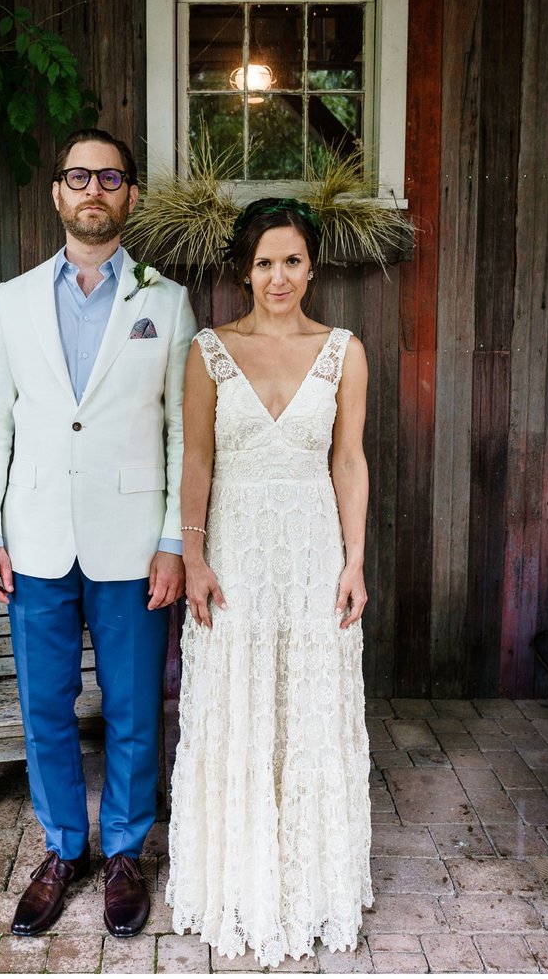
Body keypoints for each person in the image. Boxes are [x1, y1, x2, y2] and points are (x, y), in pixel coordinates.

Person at [0, 127, 191, 938]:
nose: (93, 188)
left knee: (133, 708)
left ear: (129, 195)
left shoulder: (164, 299)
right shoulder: (13, 298)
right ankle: (63, 848)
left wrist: (175, 539)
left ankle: (125, 850)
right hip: (36, 539)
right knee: (45, 708)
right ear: (57, 192)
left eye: (110, 176)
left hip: (134, 542)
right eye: (78, 175)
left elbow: (181, 435)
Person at [166, 199, 374, 966]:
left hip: (315, 550)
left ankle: (312, 885)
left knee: (308, 707)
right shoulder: (209, 350)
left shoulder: (344, 350)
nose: (278, 276)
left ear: (311, 265)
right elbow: (196, 460)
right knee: (239, 705)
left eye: (291, 260)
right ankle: (238, 882)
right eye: (264, 262)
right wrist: (193, 557)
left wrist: (355, 560)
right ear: (242, 271)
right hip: (237, 552)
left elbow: (348, 461)